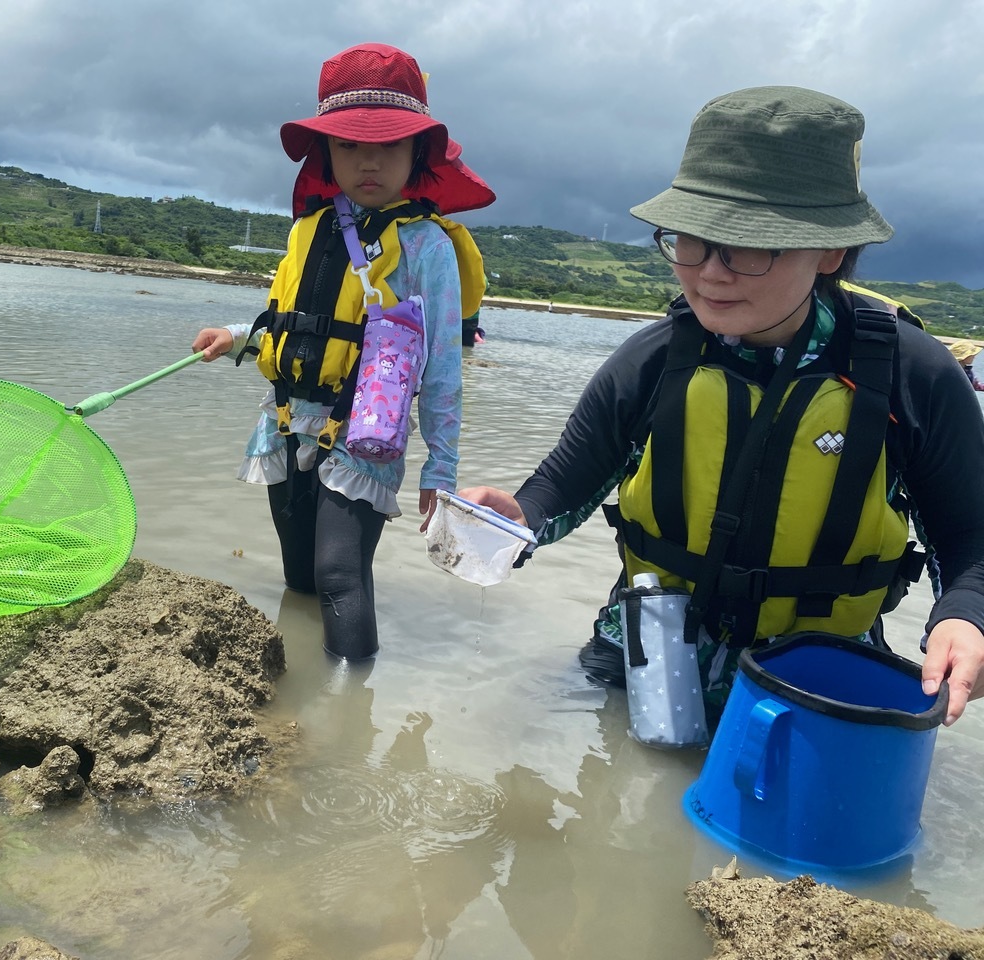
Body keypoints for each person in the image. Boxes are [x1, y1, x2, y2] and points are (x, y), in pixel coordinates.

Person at [459, 86, 984, 727]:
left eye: (746, 245)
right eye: (690, 239)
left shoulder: (914, 375)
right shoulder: (653, 360)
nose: (709, 272)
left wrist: (965, 617)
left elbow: (969, 539)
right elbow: (562, 484)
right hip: (644, 656)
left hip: (818, 675)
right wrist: (515, 519)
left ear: (831, 251)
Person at [192, 42, 494, 660]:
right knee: (298, 575)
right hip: (284, 422)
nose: (369, 161)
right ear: (327, 149)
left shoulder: (427, 248)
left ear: (419, 152)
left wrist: (441, 466)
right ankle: (310, 701)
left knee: (338, 574)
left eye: (388, 144)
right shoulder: (308, 228)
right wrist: (236, 341)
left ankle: (347, 725)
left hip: (365, 436)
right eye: (350, 144)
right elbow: (296, 324)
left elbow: (441, 369)